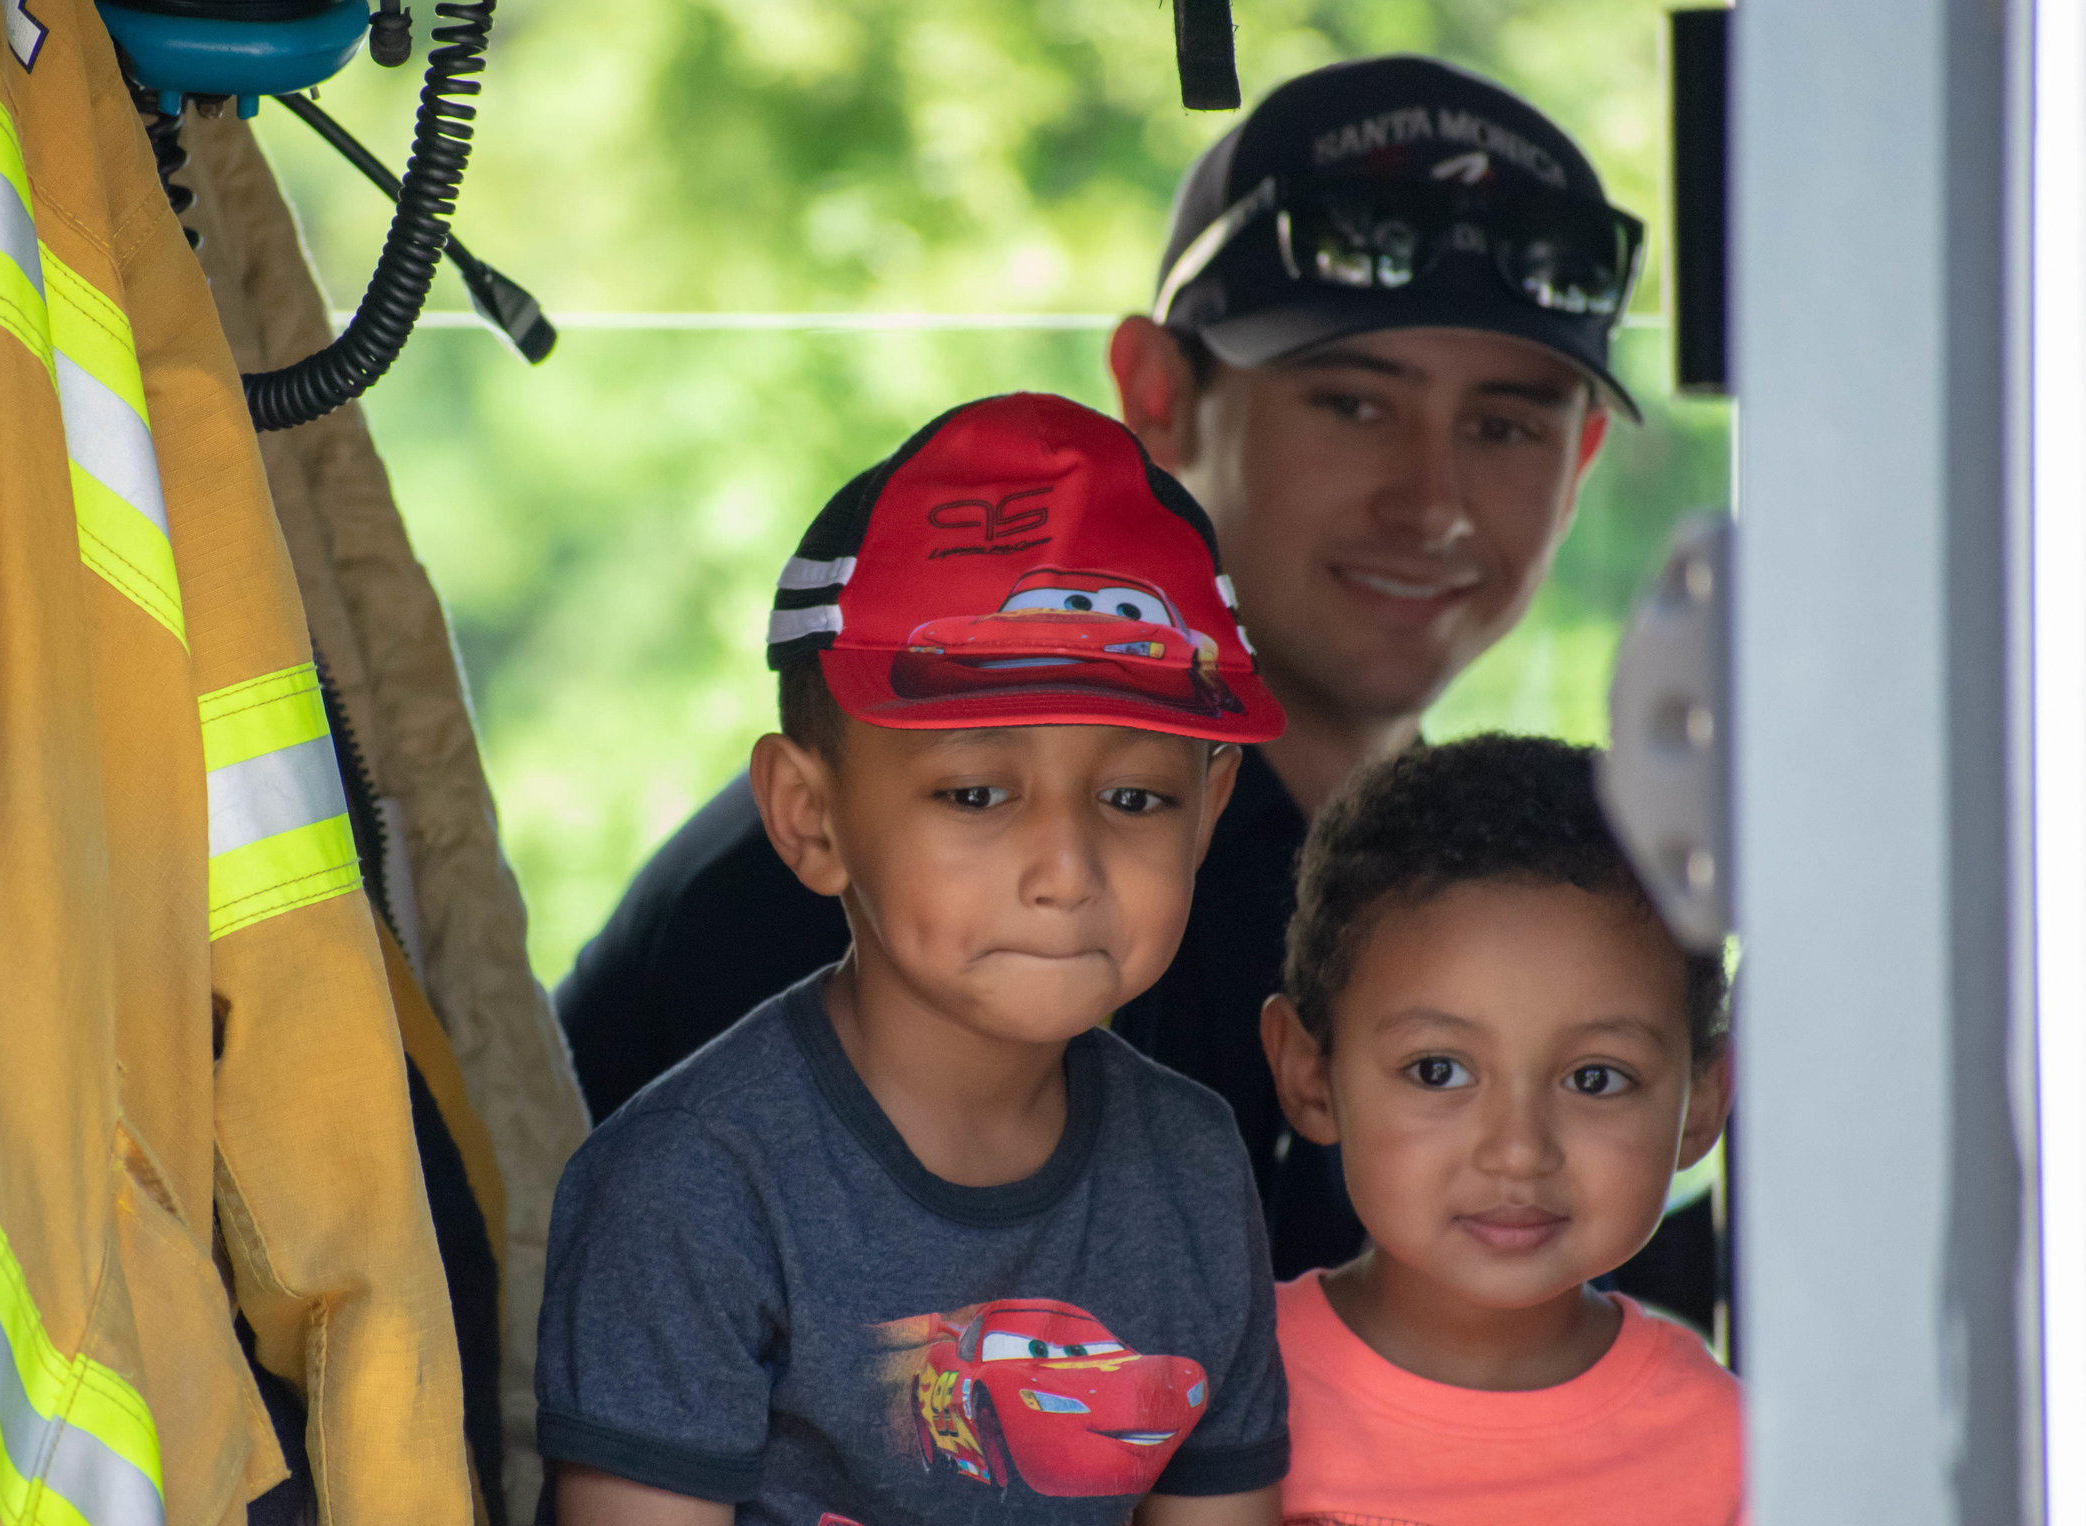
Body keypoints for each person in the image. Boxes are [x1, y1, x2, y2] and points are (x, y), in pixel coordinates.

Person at [553, 54, 1643, 1283]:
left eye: (1505, 427)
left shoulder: (1481, 877)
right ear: (1156, 394)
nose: (1431, 503)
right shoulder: (859, 898)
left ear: (1583, 459)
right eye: (1352, 405)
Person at [534, 394, 1301, 1526]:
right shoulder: (694, 1189)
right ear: (810, 816)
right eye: (975, 794)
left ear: (1212, 807)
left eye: (1135, 799)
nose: (1066, 869)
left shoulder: (1187, 1164)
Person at [1257, 735, 1743, 1526]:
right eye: (1438, 1070)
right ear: (1309, 1073)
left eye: (1594, 1078)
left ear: (1698, 1102)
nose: (1517, 1150)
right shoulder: (1222, 1384)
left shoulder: (1731, 1453)